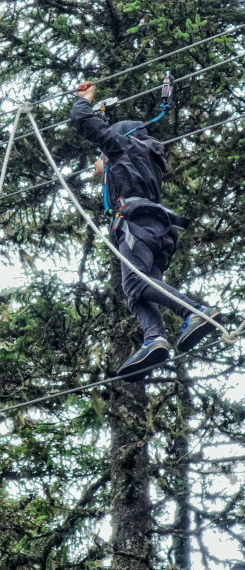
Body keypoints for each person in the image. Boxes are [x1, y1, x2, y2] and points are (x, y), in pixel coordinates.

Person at [70, 82, 221, 382]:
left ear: (121, 137)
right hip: (157, 231)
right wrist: (107, 164)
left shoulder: (122, 147)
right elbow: (119, 162)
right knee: (137, 292)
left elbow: (83, 121)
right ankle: (154, 338)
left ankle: (195, 312)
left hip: (136, 225)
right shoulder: (144, 157)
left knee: (137, 285)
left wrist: (83, 101)